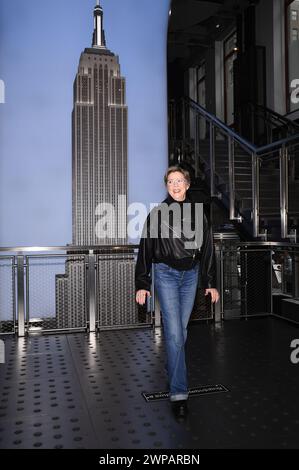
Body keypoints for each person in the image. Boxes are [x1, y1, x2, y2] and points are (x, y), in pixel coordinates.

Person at [135, 166, 219, 420]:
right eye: (171, 181)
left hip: (190, 277)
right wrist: (142, 283)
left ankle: (172, 367)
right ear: (166, 186)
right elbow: (146, 249)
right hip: (166, 275)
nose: (175, 184)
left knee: (179, 333)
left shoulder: (198, 214)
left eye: (179, 180)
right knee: (174, 334)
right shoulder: (157, 214)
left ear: (188, 184)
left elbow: (207, 250)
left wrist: (210, 281)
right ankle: (179, 395)